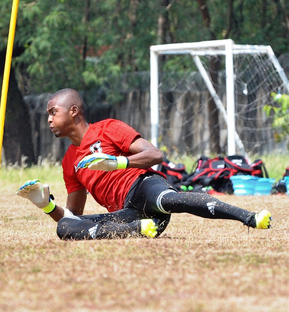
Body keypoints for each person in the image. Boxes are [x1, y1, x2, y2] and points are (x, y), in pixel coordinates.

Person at [16, 88, 271, 240]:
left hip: (144, 187)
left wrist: (116, 163)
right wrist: (47, 206)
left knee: (168, 200)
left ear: (73, 111)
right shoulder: (69, 162)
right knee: (65, 228)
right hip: (134, 218)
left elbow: (156, 155)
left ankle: (249, 218)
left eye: (53, 112)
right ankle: (134, 229)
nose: (48, 119)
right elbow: (76, 217)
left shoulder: (108, 128)